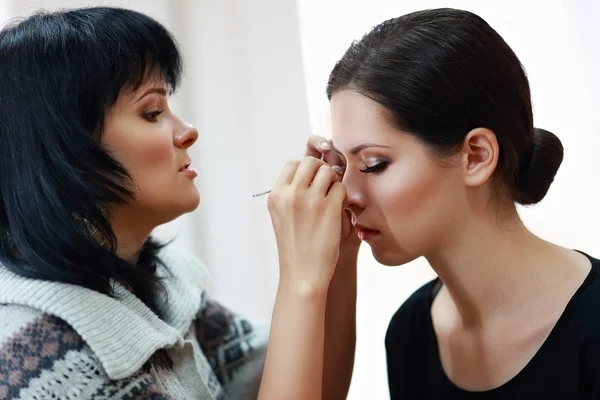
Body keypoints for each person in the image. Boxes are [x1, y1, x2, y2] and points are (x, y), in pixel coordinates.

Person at [0, 7, 356, 400]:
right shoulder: (29, 350)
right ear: (64, 148)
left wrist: (337, 255)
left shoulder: (166, 283)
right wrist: (300, 277)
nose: (188, 132)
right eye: (152, 112)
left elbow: (307, 385)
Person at [311, 7, 597, 399]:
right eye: (342, 165)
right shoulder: (411, 332)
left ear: (476, 156)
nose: (347, 193)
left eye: (374, 165)